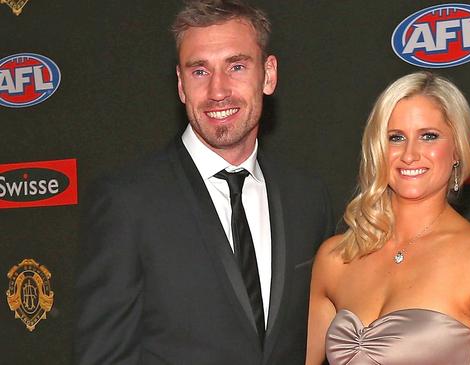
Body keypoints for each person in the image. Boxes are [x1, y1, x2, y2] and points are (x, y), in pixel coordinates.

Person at [74, 1, 334, 364]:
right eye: (199, 72)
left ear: (269, 74)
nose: (217, 91)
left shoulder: (306, 198)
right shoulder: (128, 201)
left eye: (237, 66)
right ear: (181, 85)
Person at [306, 71, 470, 365]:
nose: (410, 155)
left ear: (457, 151)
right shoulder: (336, 258)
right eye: (396, 138)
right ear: (378, 149)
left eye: (429, 136)